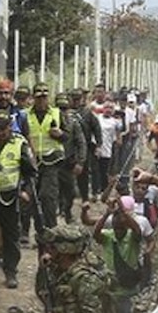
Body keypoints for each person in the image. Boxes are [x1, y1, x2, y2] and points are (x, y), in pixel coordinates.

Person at [0, 110, 37, 291]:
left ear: (10, 127)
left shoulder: (20, 143)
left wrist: (26, 191)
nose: (0, 133)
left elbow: (31, 172)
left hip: (10, 198)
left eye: (4, 129)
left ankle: (10, 271)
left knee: (12, 237)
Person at [27, 83, 67, 230]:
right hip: (32, 161)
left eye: (44, 96)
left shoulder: (57, 113)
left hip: (52, 160)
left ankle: (51, 228)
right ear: (33, 97)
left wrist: (60, 134)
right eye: (39, 96)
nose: (42, 100)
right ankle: (39, 229)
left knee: (47, 196)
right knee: (33, 197)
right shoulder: (25, 114)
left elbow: (67, 136)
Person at [57, 93, 86, 224]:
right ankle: (58, 214)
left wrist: (80, 162)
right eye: (59, 108)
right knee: (52, 193)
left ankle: (67, 211)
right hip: (52, 164)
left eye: (64, 108)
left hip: (68, 163)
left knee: (71, 192)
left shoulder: (73, 123)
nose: (61, 111)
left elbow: (81, 142)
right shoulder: (49, 122)